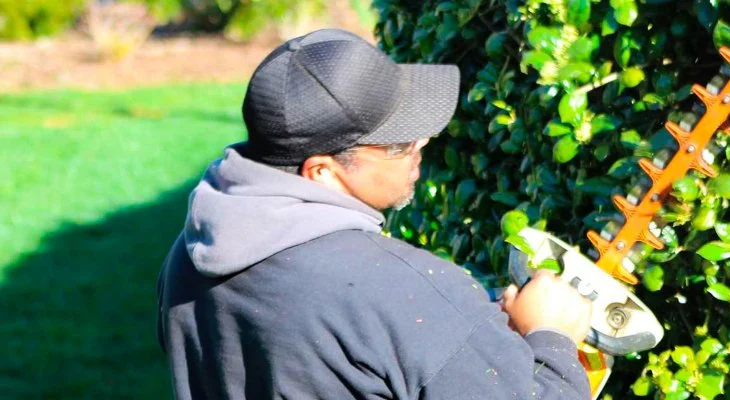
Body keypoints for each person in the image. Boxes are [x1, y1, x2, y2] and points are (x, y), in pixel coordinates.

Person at [157, 28, 593, 399]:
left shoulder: (189, 258)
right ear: (322, 170)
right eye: (398, 143)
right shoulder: (404, 292)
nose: (421, 143)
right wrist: (552, 335)